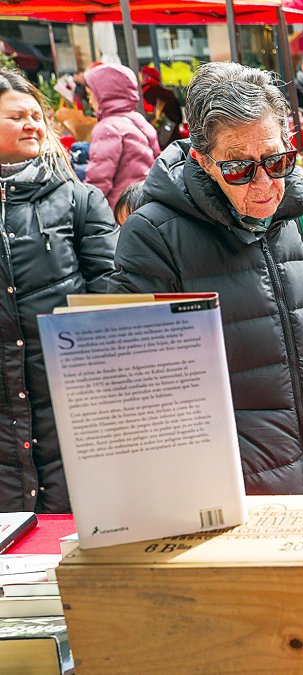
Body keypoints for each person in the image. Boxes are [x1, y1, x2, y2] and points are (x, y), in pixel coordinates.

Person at [109, 61, 303, 496]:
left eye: (277, 161)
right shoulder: (153, 234)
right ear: (202, 160)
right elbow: (138, 383)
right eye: (239, 168)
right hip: (241, 492)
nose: (264, 184)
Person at [0, 68, 118, 514]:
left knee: (73, 519)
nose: (32, 124)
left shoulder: (78, 199)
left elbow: (111, 295)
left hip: (69, 393)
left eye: (36, 116)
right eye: (17, 117)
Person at [82, 63, 160, 211]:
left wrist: (86, 208)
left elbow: (99, 180)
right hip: (146, 201)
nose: (90, 101)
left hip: (120, 209)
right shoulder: (138, 120)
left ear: (104, 95)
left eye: (90, 94)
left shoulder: (108, 127)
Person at [140, 66, 183, 146]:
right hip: (174, 137)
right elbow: (179, 117)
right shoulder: (168, 93)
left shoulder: (143, 95)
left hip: (157, 139)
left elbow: (146, 116)